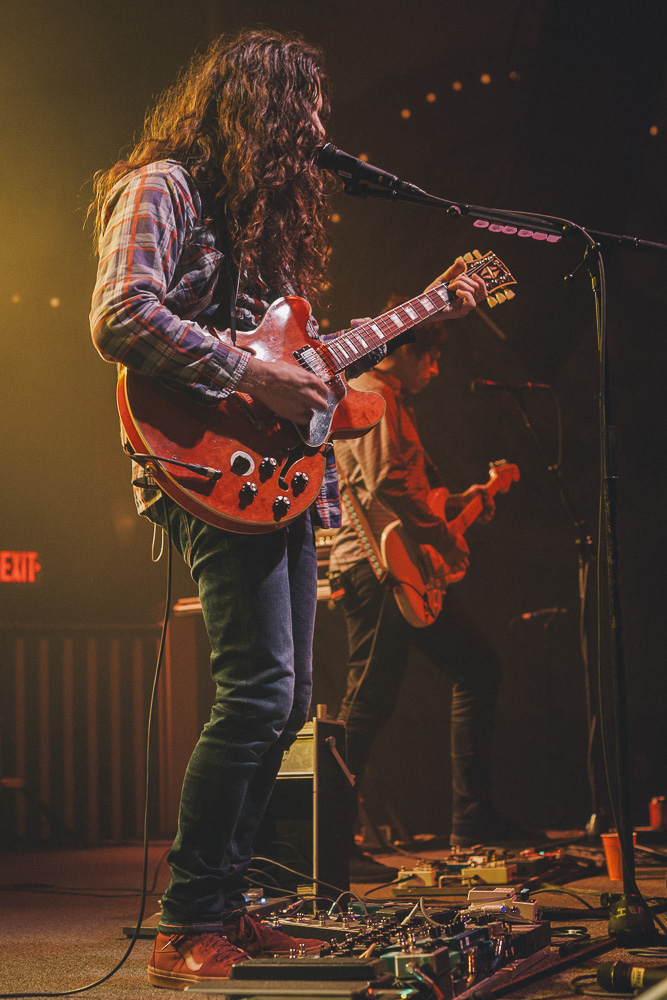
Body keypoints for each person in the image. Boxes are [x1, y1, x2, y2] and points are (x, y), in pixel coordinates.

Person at [89, 30, 487, 990]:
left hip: (279, 487)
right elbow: (119, 314)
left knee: (288, 703)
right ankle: (186, 922)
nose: (314, 133)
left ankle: (229, 906)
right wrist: (248, 374)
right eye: (300, 114)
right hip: (201, 468)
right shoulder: (164, 187)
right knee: (256, 694)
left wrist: (408, 319)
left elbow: (298, 375)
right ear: (253, 109)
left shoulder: (257, 235)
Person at [329, 300, 509, 875]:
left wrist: (466, 504)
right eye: (430, 357)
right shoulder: (375, 394)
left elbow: (409, 493)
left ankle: (474, 824)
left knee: (476, 667)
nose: (435, 370)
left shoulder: (388, 399)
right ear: (404, 350)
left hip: (396, 568)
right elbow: (386, 482)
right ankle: (331, 842)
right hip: (378, 569)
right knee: (367, 703)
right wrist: (446, 536)